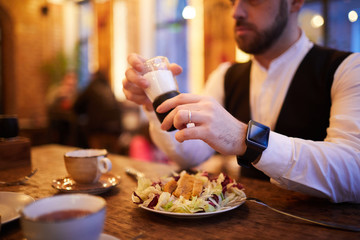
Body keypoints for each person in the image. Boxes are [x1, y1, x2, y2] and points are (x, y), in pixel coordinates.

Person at [122, 0, 360, 203]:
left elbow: (354, 171)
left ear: (295, 2)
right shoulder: (225, 75)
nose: (236, 12)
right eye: (232, 1)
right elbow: (190, 155)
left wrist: (244, 138)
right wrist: (152, 103)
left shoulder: (349, 69)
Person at [73, 71, 122, 152]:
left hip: (98, 131)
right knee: (113, 157)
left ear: (94, 77)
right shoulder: (108, 88)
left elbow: (77, 106)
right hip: (115, 131)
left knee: (98, 157)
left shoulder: (92, 87)